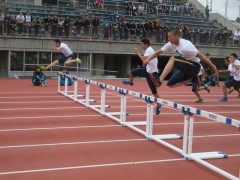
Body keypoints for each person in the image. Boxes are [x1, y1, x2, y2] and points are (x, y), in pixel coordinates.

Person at [145, 28, 218, 99]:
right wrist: (148, 59)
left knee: (172, 59)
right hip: (186, 68)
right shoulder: (170, 44)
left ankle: (159, 80)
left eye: (170, 37)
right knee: (170, 84)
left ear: (177, 36)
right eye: (168, 37)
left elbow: (201, 56)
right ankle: (191, 78)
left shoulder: (186, 46)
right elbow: (158, 52)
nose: (169, 39)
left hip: (195, 66)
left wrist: (212, 66)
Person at [122, 38, 161, 115]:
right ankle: (131, 82)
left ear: (146, 44)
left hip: (152, 74)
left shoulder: (149, 50)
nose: (141, 46)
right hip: (146, 70)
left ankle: (159, 104)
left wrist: (137, 52)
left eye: (142, 45)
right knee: (131, 72)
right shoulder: (149, 50)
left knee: (154, 92)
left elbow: (143, 59)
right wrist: (145, 64)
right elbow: (146, 61)